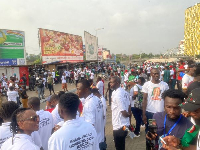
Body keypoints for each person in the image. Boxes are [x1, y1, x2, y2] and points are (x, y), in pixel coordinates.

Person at [76, 79, 105, 149]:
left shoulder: (89, 104)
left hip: (95, 143)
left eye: (78, 89)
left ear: (86, 89)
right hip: (101, 138)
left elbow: (90, 126)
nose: (77, 92)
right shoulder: (97, 99)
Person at [142, 68, 169, 134]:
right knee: (152, 131)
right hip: (151, 113)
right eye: (154, 73)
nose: (156, 75)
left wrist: (167, 111)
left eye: (158, 74)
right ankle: (150, 144)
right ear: (151, 74)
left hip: (161, 113)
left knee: (161, 130)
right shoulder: (147, 85)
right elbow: (144, 99)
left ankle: (159, 144)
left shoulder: (165, 85)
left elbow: (167, 99)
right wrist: (143, 114)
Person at [110, 76, 131, 150]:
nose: (110, 84)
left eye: (112, 82)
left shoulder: (118, 95)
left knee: (119, 147)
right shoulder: (123, 92)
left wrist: (128, 115)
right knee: (122, 145)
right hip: (124, 124)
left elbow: (123, 112)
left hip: (119, 125)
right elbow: (129, 106)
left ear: (117, 83)